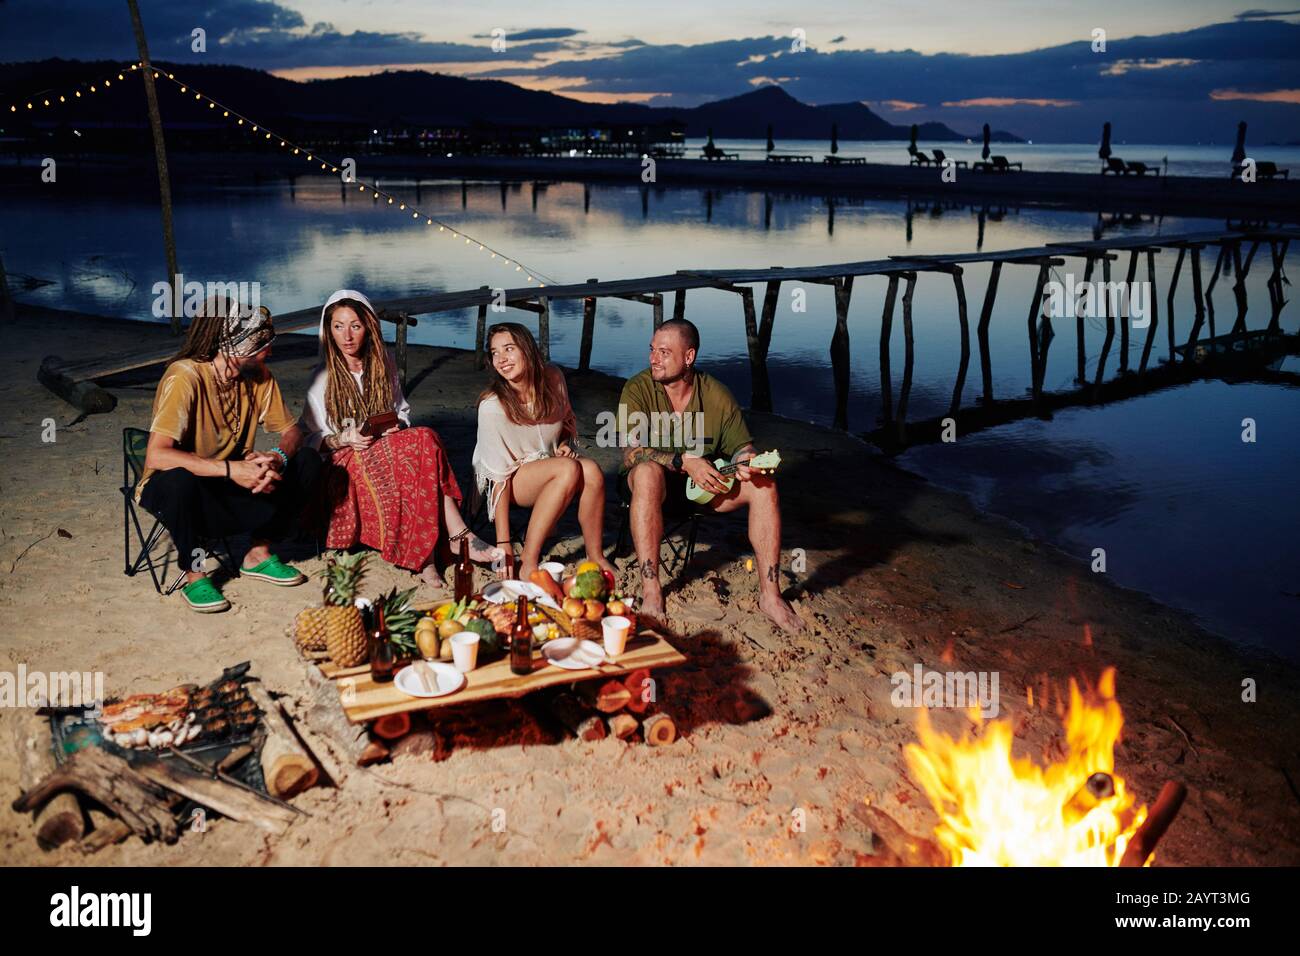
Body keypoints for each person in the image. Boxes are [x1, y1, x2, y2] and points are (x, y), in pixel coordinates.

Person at [301, 289, 501, 588]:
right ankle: (455, 536)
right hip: (343, 462)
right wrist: (345, 437)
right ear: (328, 331)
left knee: (421, 441)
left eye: (355, 325)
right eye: (338, 326)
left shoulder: (384, 364)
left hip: (384, 445)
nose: (347, 336)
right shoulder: (323, 377)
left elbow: (402, 411)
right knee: (423, 442)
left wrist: (395, 425)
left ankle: (428, 557)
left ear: (369, 327)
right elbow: (311, 439)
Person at [618, 318, 804, 632]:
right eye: (652, 350)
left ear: (688, 357)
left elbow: (742, 447)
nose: (653, 358)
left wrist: (746, 460)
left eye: (664, 352)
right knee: (648, 472)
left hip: (702, 489)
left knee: (764, 484)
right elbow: (630, 452)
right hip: (648, 488)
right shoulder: (638, 388)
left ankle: (770, 596)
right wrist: (683, 461)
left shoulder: (716, 394)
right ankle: (651, 590)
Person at [138, 297, 318, 613]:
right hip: (180, 491)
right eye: (261, 346)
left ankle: (258, 553)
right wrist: (232, 469)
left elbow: (293, 432)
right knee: (179, 480)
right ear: (235, 346)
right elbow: (156, 456)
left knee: (307, 461)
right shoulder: (185, 376)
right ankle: (195, 575)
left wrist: (275, 458)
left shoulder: (259, 375)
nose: (269, 352)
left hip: (228, 485)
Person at [472, 322, 613, 581]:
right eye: (494, 353)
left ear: (527, 349)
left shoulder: (553, 378)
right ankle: (528, 560)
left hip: (549, 466)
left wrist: (564, 444)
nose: (501, 359)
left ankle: (595, 555)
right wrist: (503, 543)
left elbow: (565, 423)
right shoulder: (492, 407)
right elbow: (498, 480)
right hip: (511, 481)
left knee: (592, 470)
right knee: (568, 469)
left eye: (509, 349)